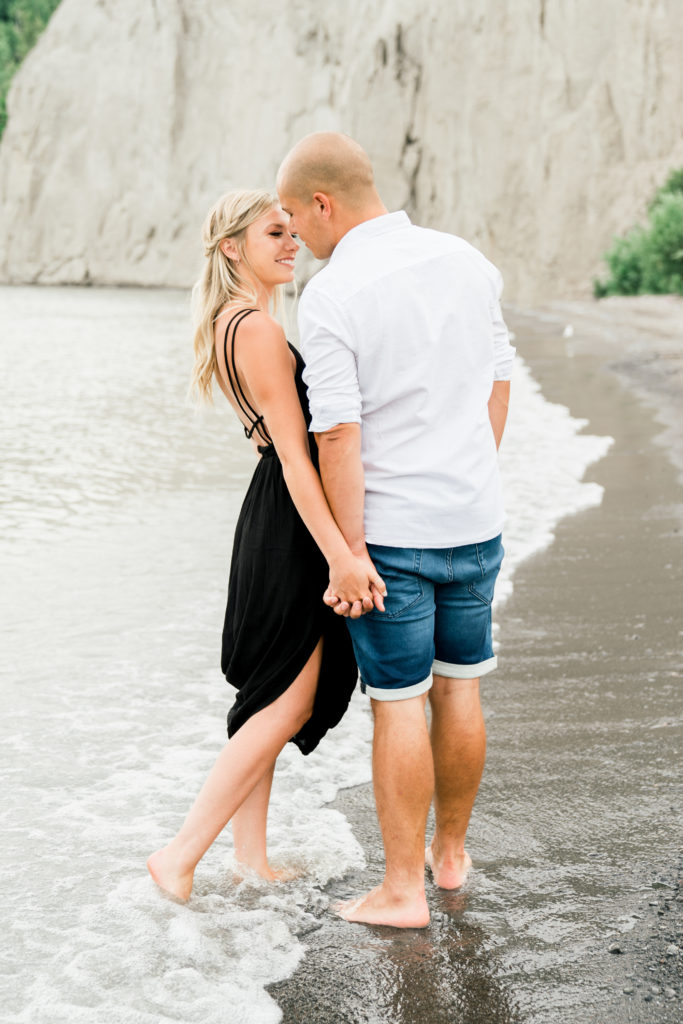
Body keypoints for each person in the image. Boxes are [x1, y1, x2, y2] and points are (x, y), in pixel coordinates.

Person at [276, 133, 515, 928]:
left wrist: (347, 553)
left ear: (323, 203)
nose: (295, 237)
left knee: (400, 704)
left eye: (293, 219)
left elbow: (337, 433)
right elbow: (498, 379)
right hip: (473, 519)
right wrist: (470, 476)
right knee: (461, 685)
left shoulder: (335, 292)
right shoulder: (466, 261)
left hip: (393, 539)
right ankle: (448, 859)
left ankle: (401, 890)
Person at [147, 189, 385, 900]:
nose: (289, 242)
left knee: (267, 698)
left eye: (291, 230)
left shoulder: (231, 321)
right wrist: (342, 553)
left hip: (273, 515)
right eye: (272, 233)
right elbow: (294, 456)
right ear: (231, 248)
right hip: (289, 520)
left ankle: (250, 857)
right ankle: (180, 854)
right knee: (284, 701)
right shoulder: (251, 328)